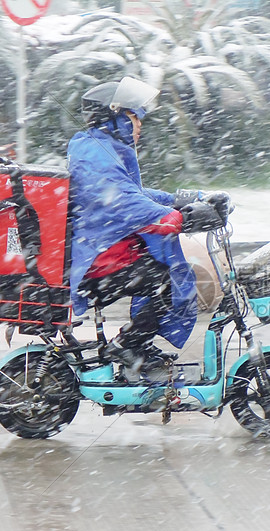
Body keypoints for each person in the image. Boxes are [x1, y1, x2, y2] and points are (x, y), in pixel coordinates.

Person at [68, 76, 228, 371]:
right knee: (169, 281)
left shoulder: (101, 147)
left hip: (108, 249)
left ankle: (135, 343)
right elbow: (122, 201)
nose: (139, 125)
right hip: (98, 257)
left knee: (169, 276)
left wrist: (184, 199)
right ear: (114, 117)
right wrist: (176, 218)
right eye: (134, 117)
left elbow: (135, 193)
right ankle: (126, 345)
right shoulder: (94, 153)